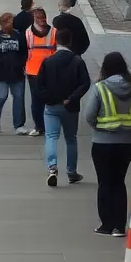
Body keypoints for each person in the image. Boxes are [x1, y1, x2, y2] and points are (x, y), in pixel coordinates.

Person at [82, 52, 131, 235]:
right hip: (127, 143)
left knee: (105, 183)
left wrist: (99, 126)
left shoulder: (100, 88)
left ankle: (106, 224)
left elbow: (89, 115)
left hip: (102, 143)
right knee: (119, 182)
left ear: (105, 68)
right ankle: (119, 226)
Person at [34, 27, 91, 187]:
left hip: (51, 107)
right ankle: (72, 172)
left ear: (56, 41)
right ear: (70, 42)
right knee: (71, 139)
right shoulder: (77, 61)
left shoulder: (47, 61)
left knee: (51, 137)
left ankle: (52, 167)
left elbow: (39, 86)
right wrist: (71, 98)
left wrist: (49, 99)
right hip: (70, 107)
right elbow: (85, 83)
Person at [0, 12, 29, 133]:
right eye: (9, 22)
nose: (11, 24)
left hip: (16, 73)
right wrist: (1, 61)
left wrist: (20, 63)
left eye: (11, 22)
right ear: (3, 24)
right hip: (1, 74)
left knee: (19, 98)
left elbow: (24, 52)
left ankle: (19, 125)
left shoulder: (19, 36)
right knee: (2, 97)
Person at [23, 7, 56, 136]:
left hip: (44, 71)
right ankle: (40, 126)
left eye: (43, 17)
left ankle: (43, 126)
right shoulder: (28, 33)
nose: (42, 20)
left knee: (44, 100)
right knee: (38, 100)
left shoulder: (53, 32)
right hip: (35, 71)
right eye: (39, 17)